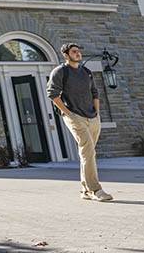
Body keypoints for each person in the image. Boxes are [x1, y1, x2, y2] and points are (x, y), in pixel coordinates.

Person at [46, 42, 113, 201]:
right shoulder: (60, 72)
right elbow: (53, 94)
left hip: (92, 116)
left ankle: (85, 190)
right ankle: (96, 190)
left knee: (88, 153)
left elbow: (95, 93)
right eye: (74, 51)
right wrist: (69, 113)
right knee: (88, 151)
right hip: (75, 116)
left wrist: (96, 113)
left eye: (78, 51)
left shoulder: (86, 72)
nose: (78, 54)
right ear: (66, 55)